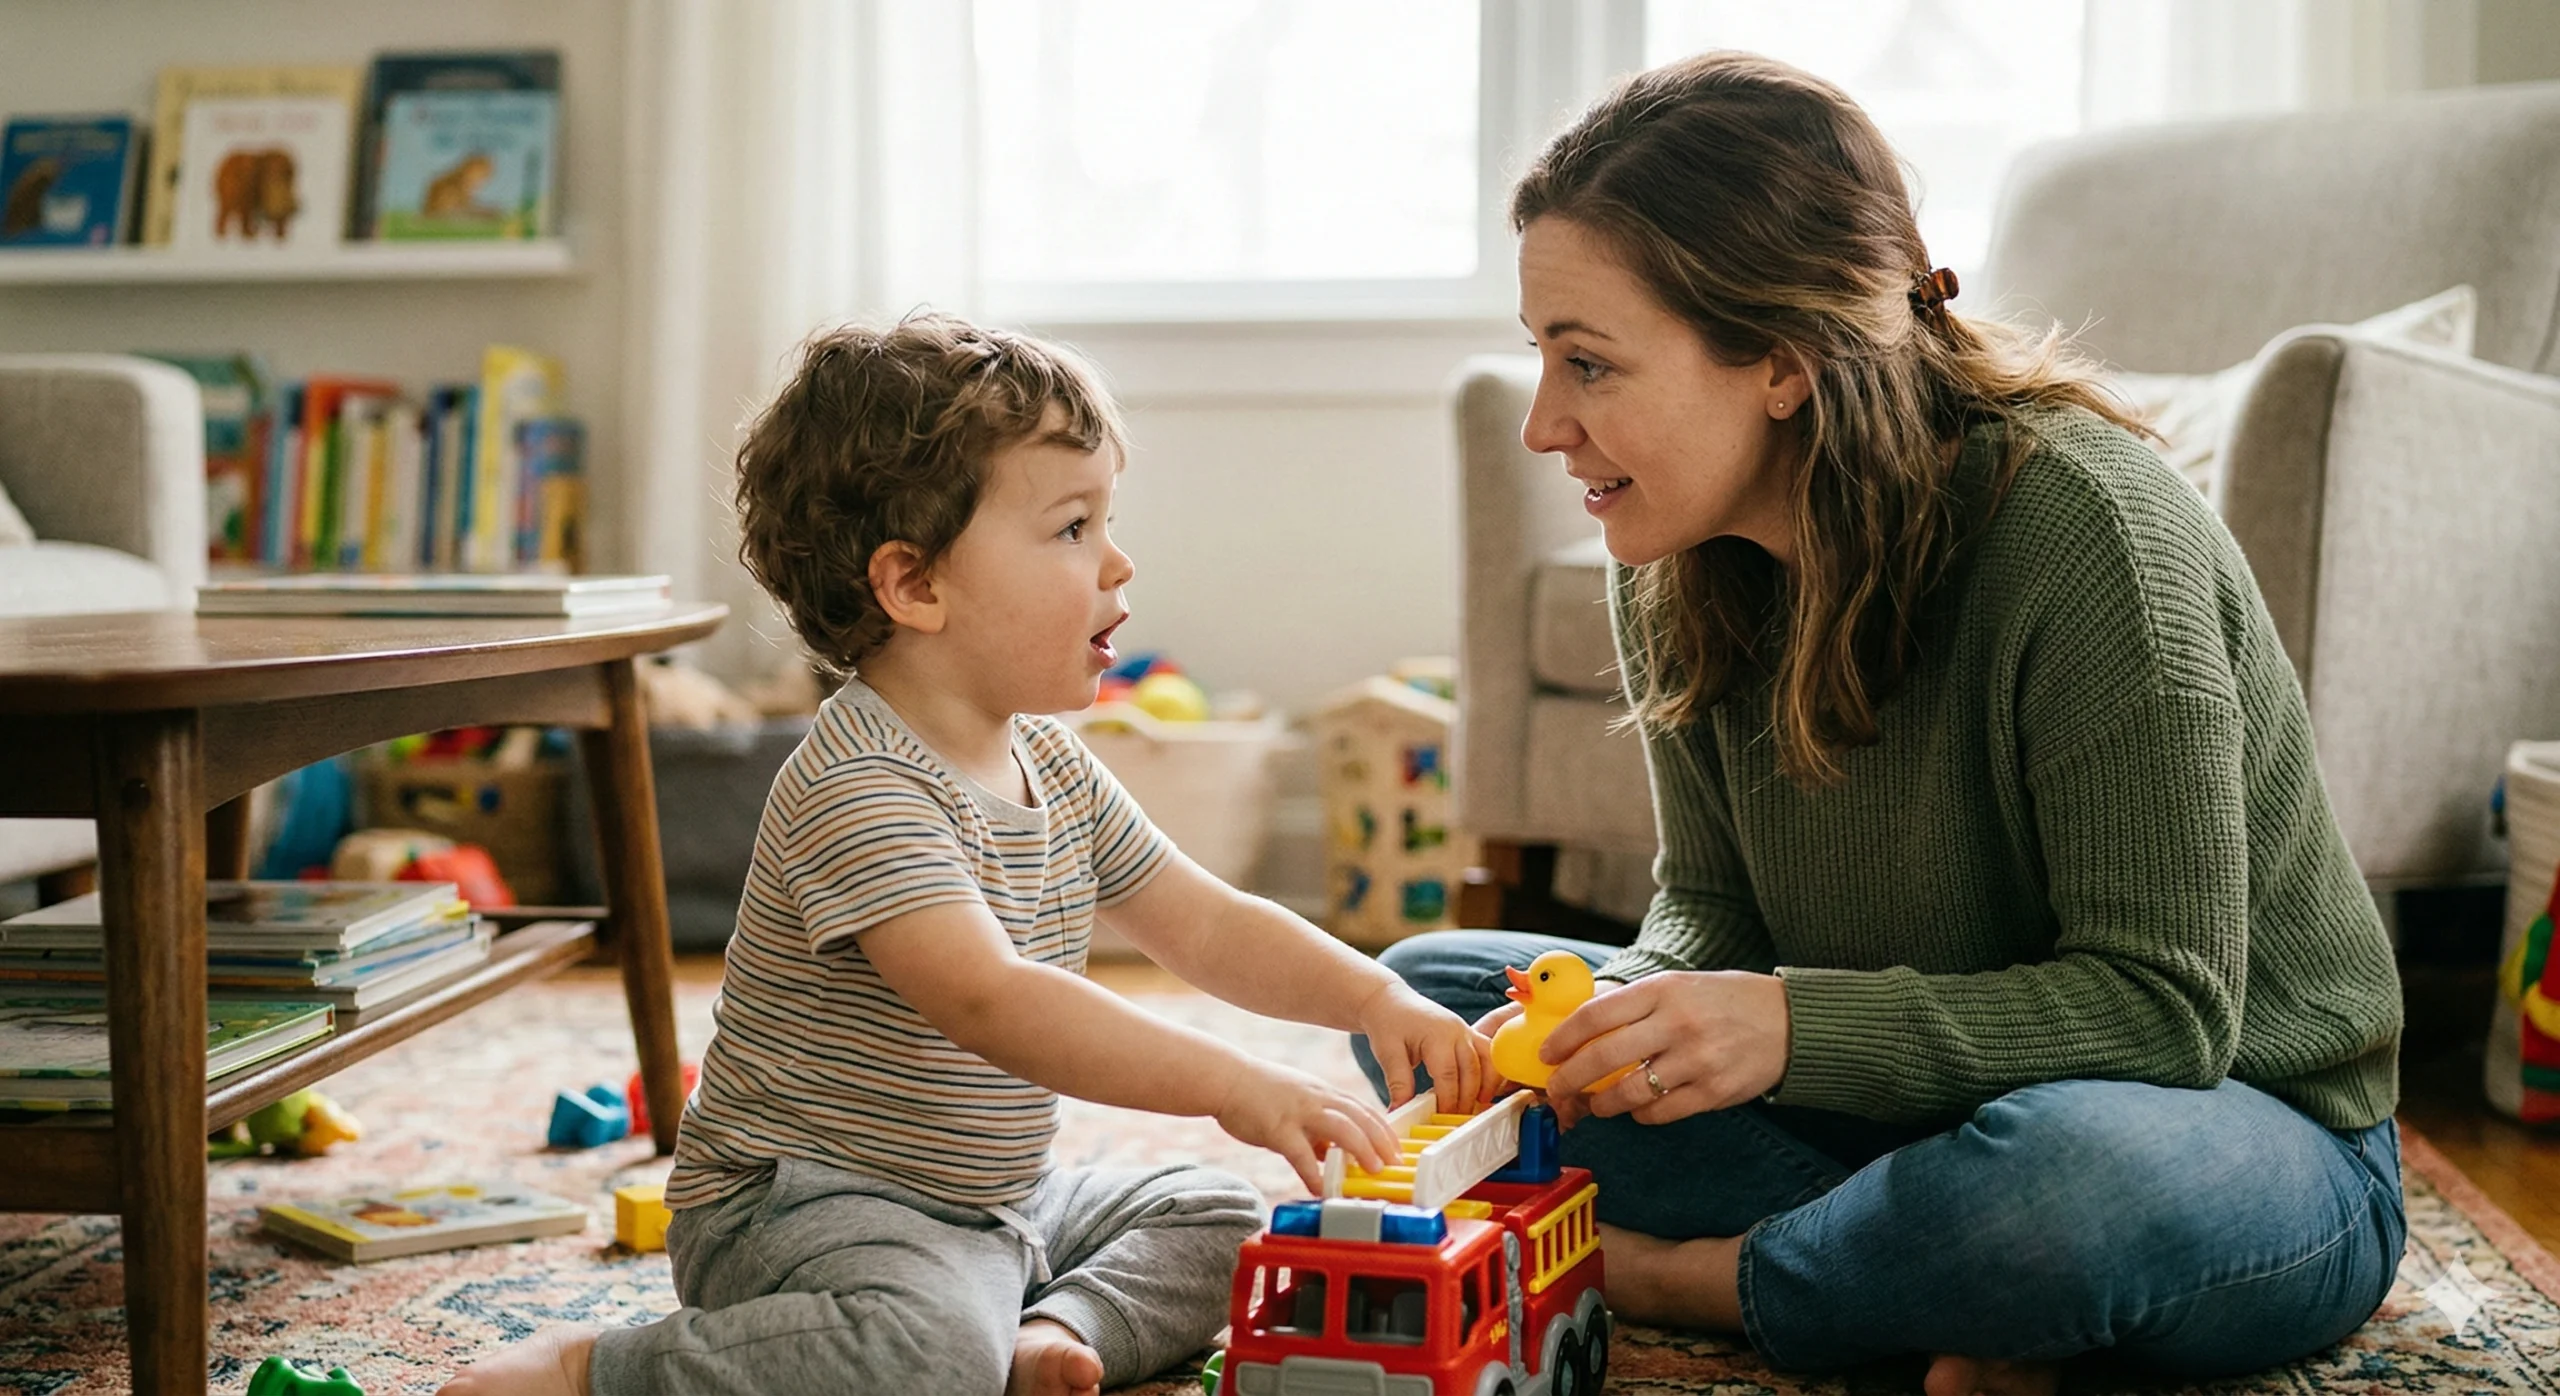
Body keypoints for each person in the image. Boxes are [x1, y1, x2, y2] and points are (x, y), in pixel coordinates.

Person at [1362, 52, 2406, 1396]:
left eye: (1590, 363)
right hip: (1894, 1117)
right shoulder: (1672, 560)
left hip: (2239, 1128)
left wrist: (1786, 1031)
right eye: (1542, 359)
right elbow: (1712, 915)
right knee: (1422, 1006)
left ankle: (1717, 1276)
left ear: (1783, 364)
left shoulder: (2090, 534)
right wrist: (1626, 1012)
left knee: (2060, 1190)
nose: (1547, 426)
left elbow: (2167, 1011)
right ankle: (1924, 1281)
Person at [443, 314, 1490, 1396]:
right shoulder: (859, 785)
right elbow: (993, 998)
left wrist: (1372, 997)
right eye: (1073, 528)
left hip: (996, 1199)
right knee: (928, 1353)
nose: (1119, 561)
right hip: (802, 1202)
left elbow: (1204, 920)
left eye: (1106, 521)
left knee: (1238, 1220)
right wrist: (1232, 1082)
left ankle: (1054, 1331)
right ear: (915, 586)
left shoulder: (1051, 759)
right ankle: (592, 1369)